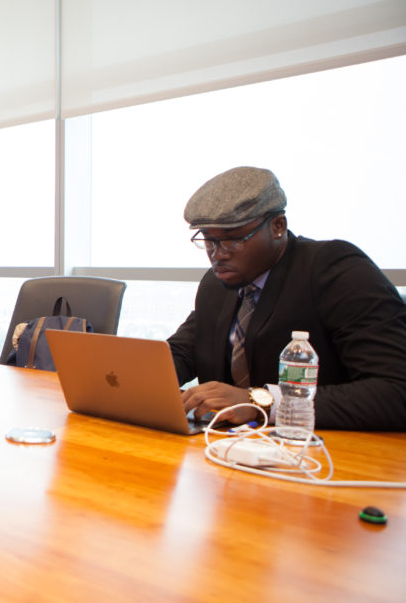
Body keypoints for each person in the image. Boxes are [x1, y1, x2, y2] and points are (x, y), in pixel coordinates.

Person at [169, 166, 406, 431]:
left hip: (325, 455)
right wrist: (133, 381)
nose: (217, 254)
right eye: (209, 240)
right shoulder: (216, 284)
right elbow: (182, 353)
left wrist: (260, 402)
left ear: (278, 226)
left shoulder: (335, 269)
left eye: (233, 239)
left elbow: (396, 390)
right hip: (229, 451)